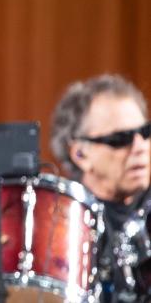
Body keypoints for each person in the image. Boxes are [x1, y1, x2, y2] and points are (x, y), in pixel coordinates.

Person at [51, 73, 151, 299]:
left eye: (145, 132)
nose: (140, 147)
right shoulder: (57, 227)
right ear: (80, 154)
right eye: (121, 139)